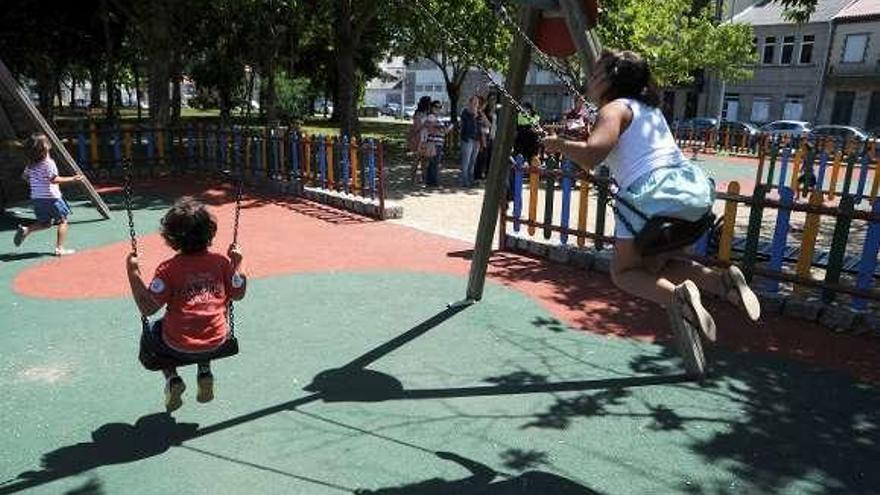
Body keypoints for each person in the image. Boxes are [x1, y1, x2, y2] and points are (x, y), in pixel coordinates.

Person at [542, 50, 760, 375]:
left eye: (596, 72)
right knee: (662, 264)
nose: (591, 77)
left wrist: (557, 144)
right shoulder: (650, 110)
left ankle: (680, 298)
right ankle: (722, 282)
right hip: (693, 194)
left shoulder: (613, 109)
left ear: (609, 80)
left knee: (625, 273)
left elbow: (592, 156)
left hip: (652, 199)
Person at [125, 197, 247, 412]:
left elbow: (148, 307)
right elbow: (238, 294)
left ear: (170, 238)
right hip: (217, 341)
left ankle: (172, 378)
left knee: (156, 328)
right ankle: (204, 371)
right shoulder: (221, 263)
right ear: (210, 233)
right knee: (206, 316)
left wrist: (133, 273)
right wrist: (237, 262)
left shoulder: (168, 269)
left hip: (178, 346)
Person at [13, 133, 83, 255]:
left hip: (37, 199)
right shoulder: (49, 163)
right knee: (63, 221)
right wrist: (73, 179)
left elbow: (24, 177)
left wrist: (36, 184)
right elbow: (54, 179)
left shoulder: (31, 164)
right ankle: (59, 248)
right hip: (52, 198)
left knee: (45, 223)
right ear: (45, 147)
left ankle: (26, 230)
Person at [424, 100, 452, 187]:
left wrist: (445, 129)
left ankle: (431, 181)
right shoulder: (431, 117)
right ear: (432, 107)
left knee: (434, 162)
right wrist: (443, 129)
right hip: (433, 142)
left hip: (438, 142)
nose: (438, 109)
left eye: (439, 107)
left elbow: (443, 131)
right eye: (436, 106)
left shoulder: (438, 118)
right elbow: (436, 129)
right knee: (434, 162)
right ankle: (433, 182)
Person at [408, 96, 433, 184]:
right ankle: (412, 178)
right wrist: (424, 124)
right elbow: (416, 128)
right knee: (416, 159)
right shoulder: (418, 114)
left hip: (426, 138)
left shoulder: (427, 114)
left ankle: (424, 178)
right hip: (419, 139)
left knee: (424, 161)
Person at [459, 95, 482, 187]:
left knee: (473, 161)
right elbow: (466, 124)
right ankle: (464, 180)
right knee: (466, 161)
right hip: (467, 139)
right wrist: (474, 115)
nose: (476, 104)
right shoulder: (465, 112)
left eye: (477, 102)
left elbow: (486, 124)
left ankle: (470, 179)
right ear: (470, 102)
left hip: (476, 139)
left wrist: (479, 115)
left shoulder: (479, 113)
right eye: (474, 102)